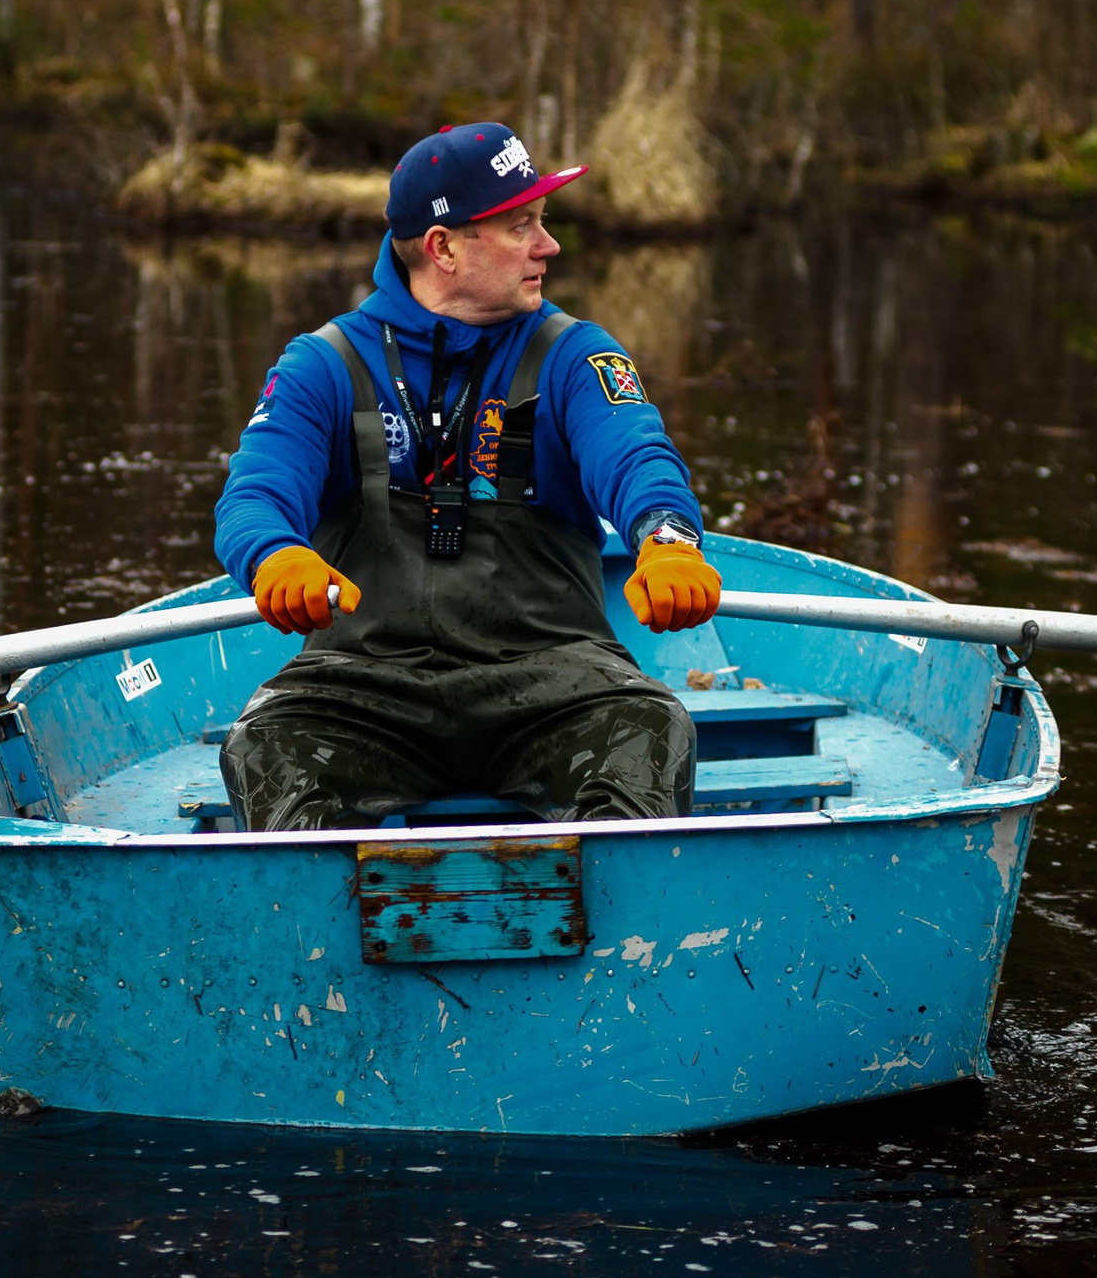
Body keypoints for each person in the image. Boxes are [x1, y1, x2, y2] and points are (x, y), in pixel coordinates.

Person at [211, 121, 724, 831]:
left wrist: (668, 539)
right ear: (443, 246)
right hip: (363, 684)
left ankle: (626, 933)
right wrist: (275, 555)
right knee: (263, 743)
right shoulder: (320, 365)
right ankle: (323, 930)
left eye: (542, 221)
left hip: (552, 679)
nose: (550, 245)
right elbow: (254, 498)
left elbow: (638, 457)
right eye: (521, 226)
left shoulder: (576, 356)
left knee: (650, 726)